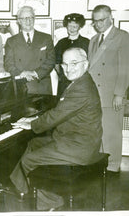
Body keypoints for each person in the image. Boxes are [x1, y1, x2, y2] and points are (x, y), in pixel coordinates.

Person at [10, 48, 103, 194]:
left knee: (29, 160)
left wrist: (32, 124)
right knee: (33, 144)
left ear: (86, 64)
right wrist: (35, 119)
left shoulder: (82, 88)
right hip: (73, 139)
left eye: (74, 63)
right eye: (64, 65)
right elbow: (61, 111)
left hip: (80, 146)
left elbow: (57, 114)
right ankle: (21, 188)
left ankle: (48, 202)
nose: (68, 69)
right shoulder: (80, 81)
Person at [88, 4, 129, 173]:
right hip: (96, 95)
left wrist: (119, 94)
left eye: (101, 20)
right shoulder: (94, 40)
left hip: (112, 94)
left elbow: (128, 68)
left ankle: (113, 166)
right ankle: (101, 164)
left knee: (112, 133)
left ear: (110, 19)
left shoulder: (122, 37)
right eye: (95, 21)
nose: (98, 24)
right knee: (99, 132)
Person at [4, 6, 55, 95]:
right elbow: (8, 64)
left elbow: (51, 60)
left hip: (41, 86)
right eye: (24, 18)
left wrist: (35, 73)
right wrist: (22, 74)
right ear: (19, 21)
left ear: (34, 19)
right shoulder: (11, 41)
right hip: (20, 86)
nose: (28, 21)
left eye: (30, 17)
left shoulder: (46, 38)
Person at [54, 13, 90, 98]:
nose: (72, 29)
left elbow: (89, 63)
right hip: (64, 82)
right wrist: (64, 75)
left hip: (81, 82)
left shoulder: (86, 42)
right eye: (70, 26)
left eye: (75, 27)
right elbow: (56, 62)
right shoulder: (61, 42)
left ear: (80, 27)